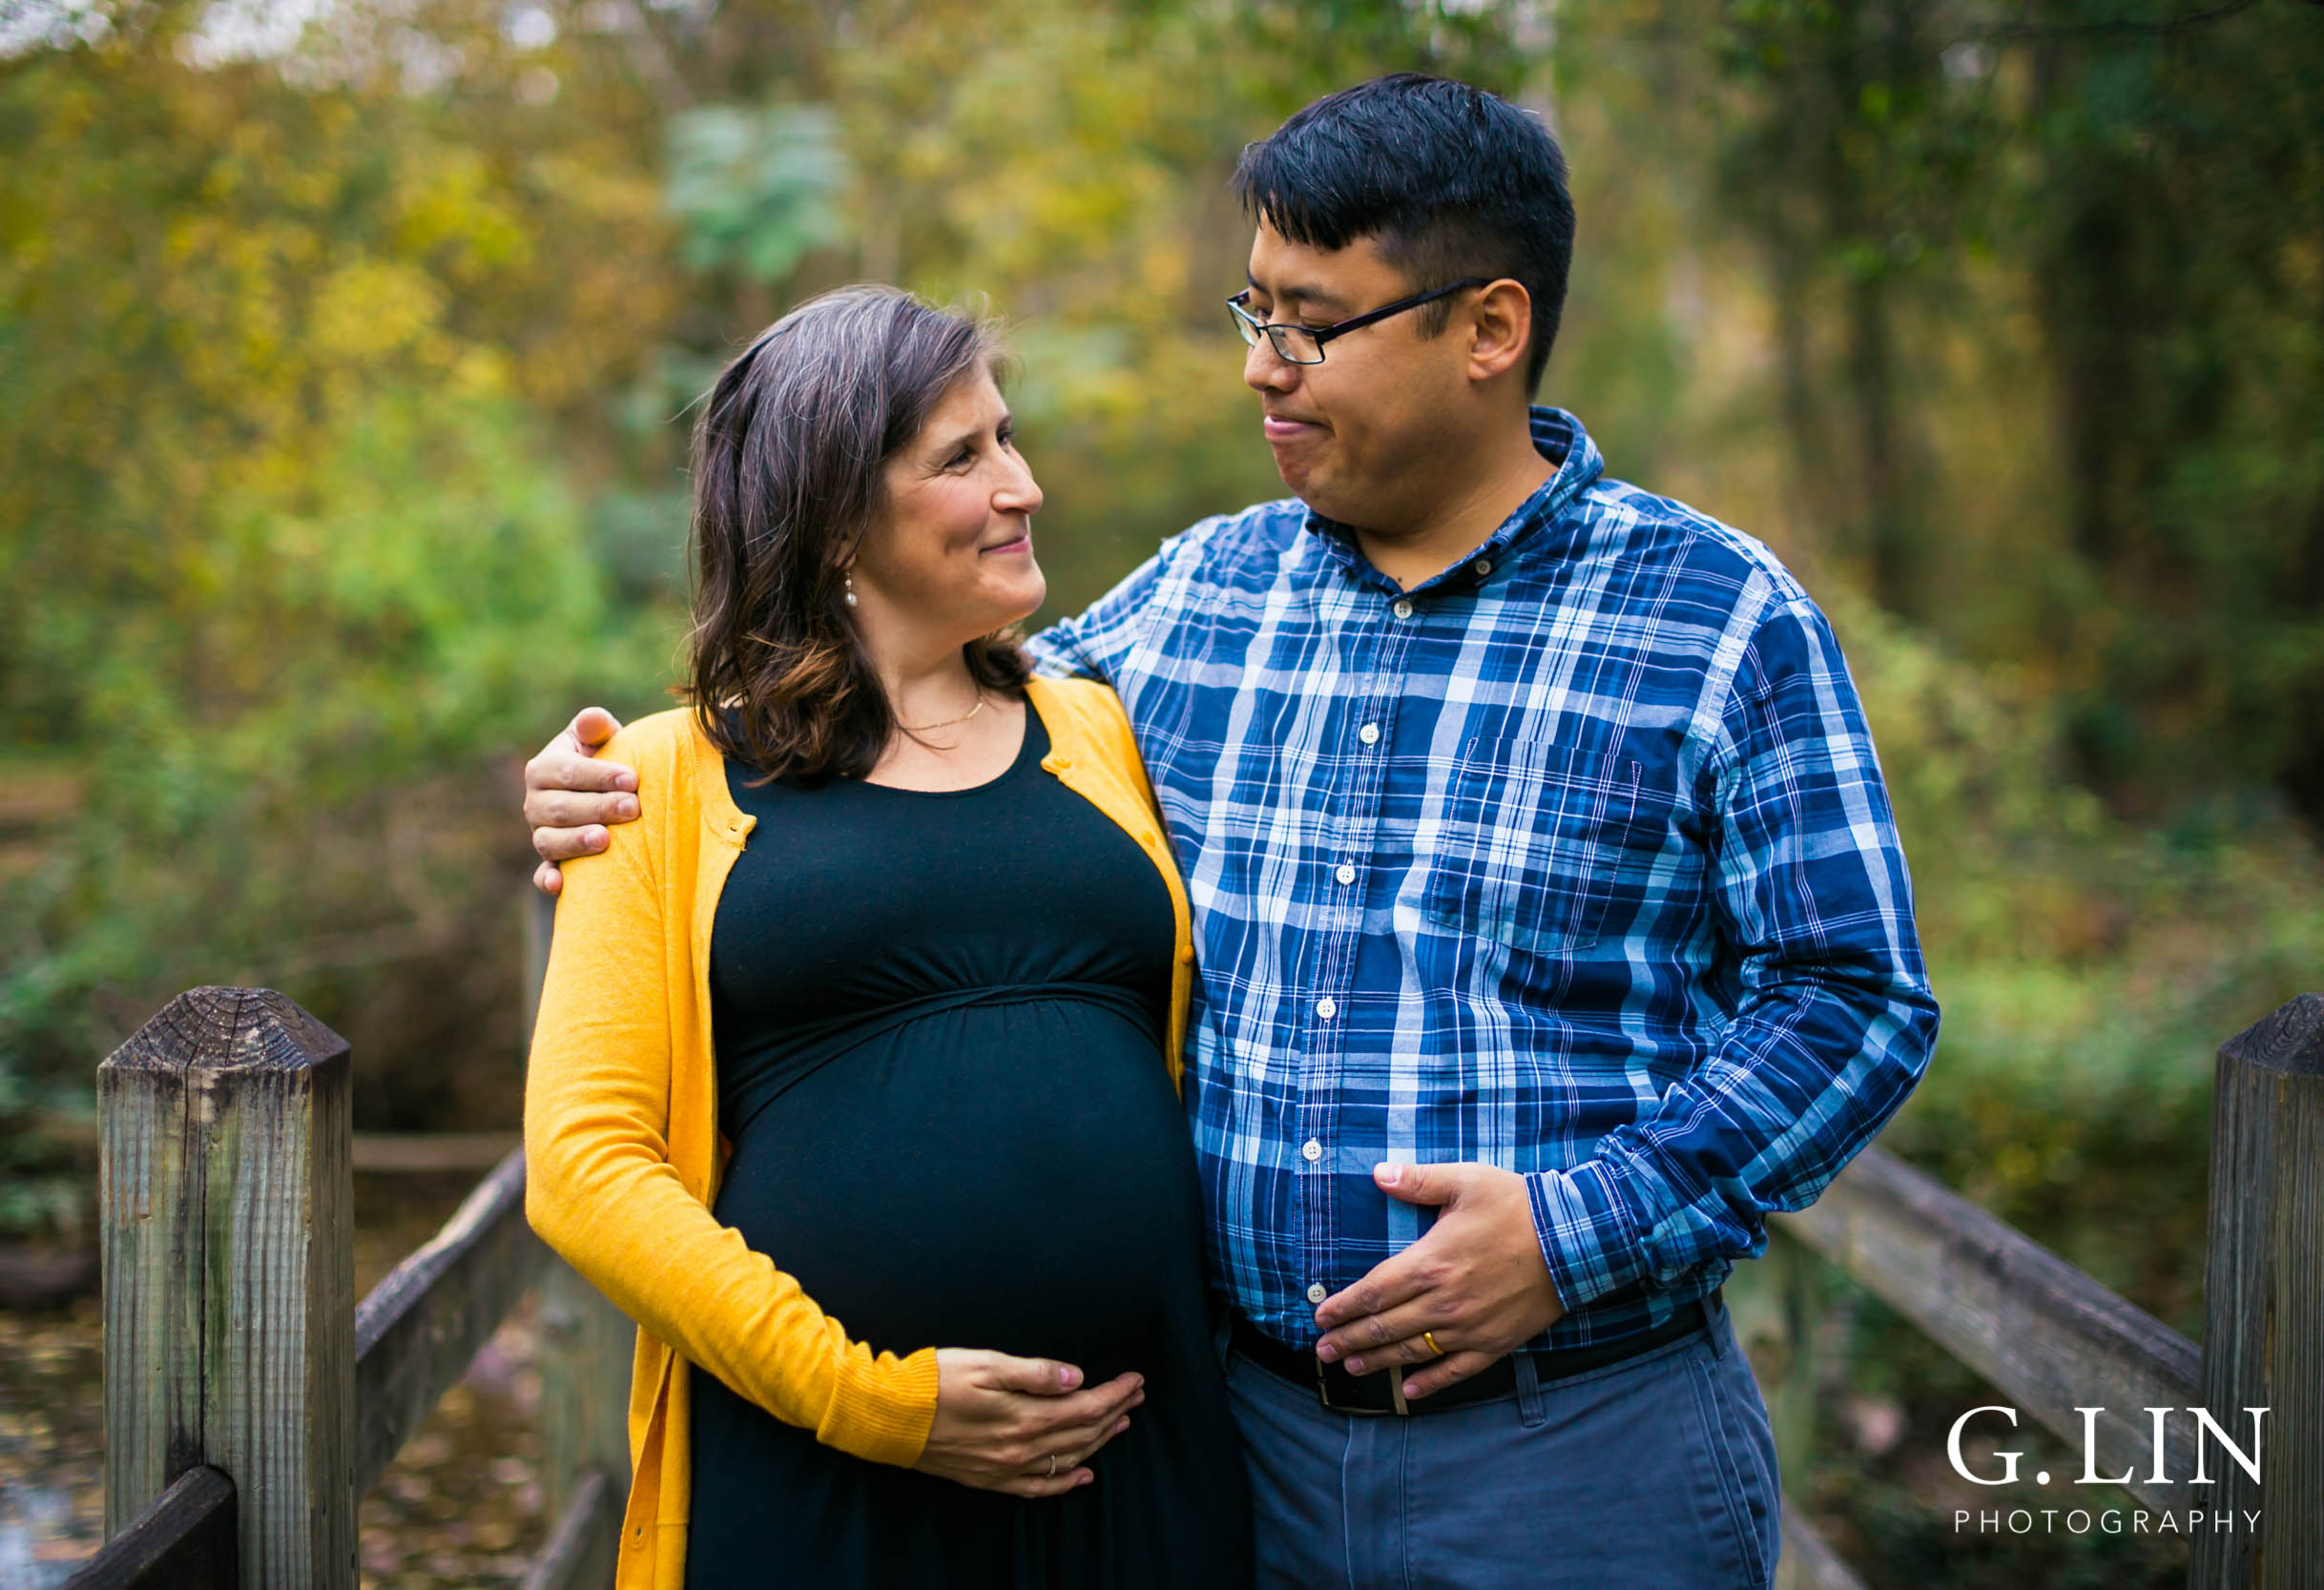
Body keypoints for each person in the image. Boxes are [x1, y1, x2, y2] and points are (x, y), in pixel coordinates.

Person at [527, 74, 1939, 1590]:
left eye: (1312, 324)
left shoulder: (1717, 620)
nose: (1262, 368)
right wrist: (612, 770)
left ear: (1488, 330)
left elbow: (1853, 999)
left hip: (1571, 1454)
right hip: (1233, 1453)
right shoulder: (1192, 604)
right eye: (1250, 311)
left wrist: (1578, 1232)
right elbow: (906, 710)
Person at [520, 284, 1253, 1590]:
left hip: (1139, 1464)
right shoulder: (662, 781)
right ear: (834, 518)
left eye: (1008, 437)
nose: (1022, 484)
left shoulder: (1098, 730)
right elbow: (584, 1166)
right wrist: (872, 1401)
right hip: (827, 1478)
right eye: (962, 457)